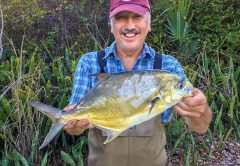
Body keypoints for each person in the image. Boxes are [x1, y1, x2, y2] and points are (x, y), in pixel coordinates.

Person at [63, 0, 212, 165]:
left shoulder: (168, 66)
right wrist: (73, 123)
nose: (130, 25)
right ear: (111, 25)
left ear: (149, 24)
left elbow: (201, 127)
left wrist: (200, 110)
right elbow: (74, 123)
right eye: (121, 17)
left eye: (137, 17)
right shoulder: (90, 63)